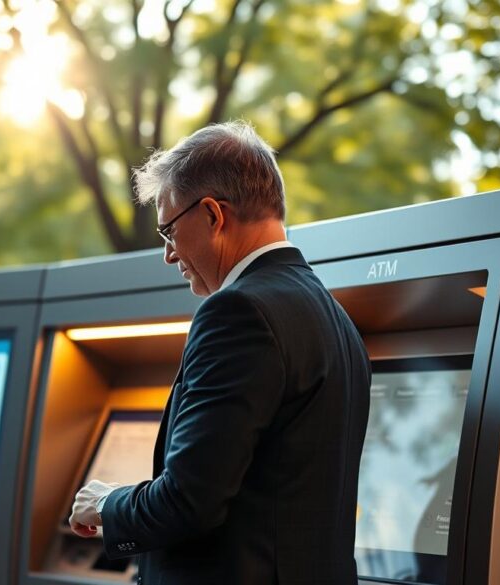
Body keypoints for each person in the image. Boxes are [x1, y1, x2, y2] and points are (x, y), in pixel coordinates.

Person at [68, 121, 372, 585]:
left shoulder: (237, 312)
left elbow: (189, 501)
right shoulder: (336, 319)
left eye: (169, 230)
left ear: (212, 215)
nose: (168, 255)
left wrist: (108, 504)